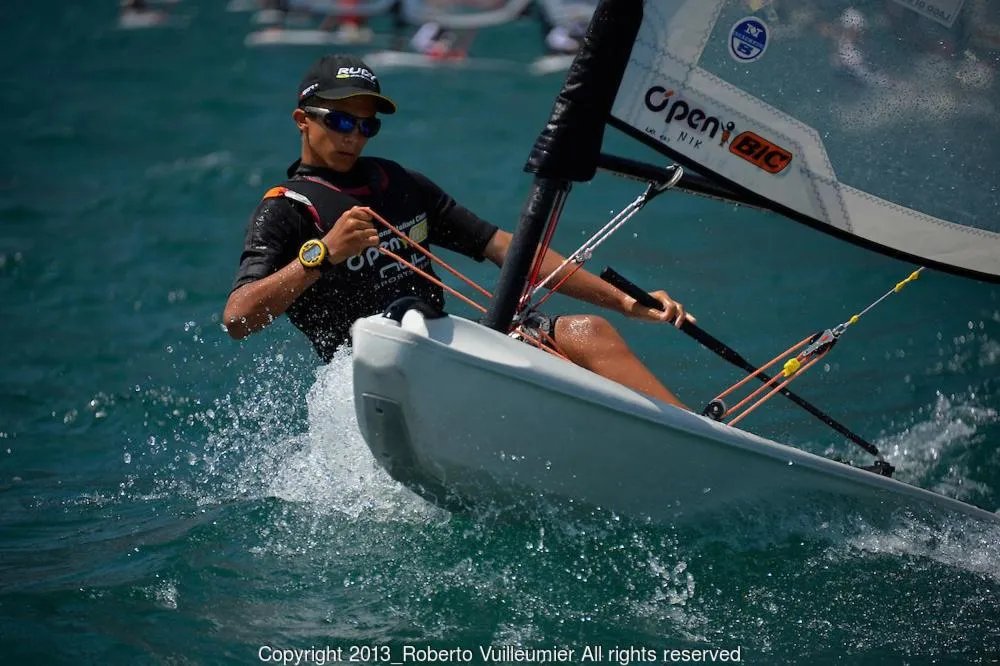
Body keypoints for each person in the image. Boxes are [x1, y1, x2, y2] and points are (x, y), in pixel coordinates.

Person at [223, 54, 696, 410]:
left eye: (368, 124)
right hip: (375, 384)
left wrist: (626, 301)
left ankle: (696, 438)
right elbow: (237, 319)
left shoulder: (399, 183)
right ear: (302, 121)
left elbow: (508, 249)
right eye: (342, 120)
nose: (354, 135)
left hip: (446, 354)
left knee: (588, 332)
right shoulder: (286, 210)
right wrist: (321, 255)